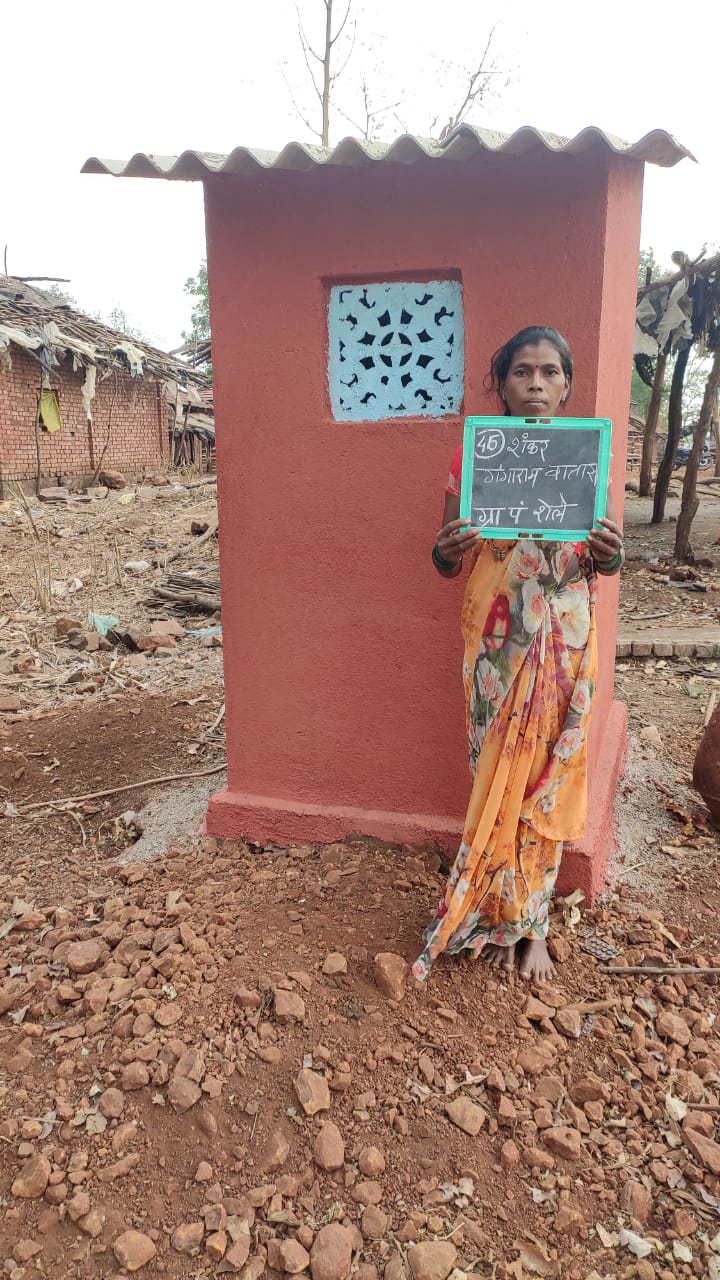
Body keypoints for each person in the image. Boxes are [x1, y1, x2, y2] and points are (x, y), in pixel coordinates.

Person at [413, 326, 624, 984]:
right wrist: (445, 549)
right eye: (522, 371)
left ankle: (534, 924)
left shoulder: (586, 458)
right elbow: (445, 560)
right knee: (496, 770)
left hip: (563, 639)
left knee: (549, 776)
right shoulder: (473, 458)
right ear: (502, 385)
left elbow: (604, 559)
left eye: (549, 371)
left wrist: (613, 553)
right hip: (497, 640)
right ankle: (498, 913)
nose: (536, 382)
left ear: (566, 385)